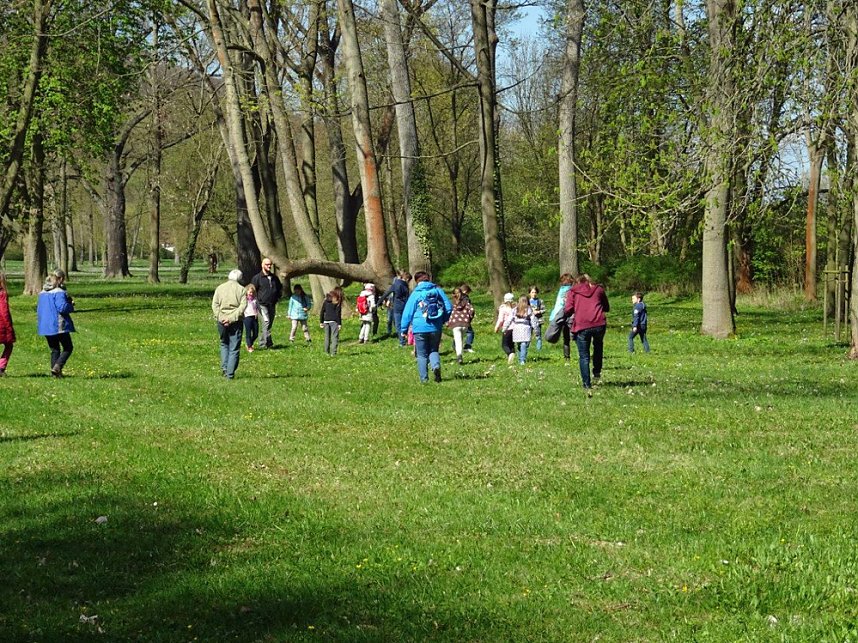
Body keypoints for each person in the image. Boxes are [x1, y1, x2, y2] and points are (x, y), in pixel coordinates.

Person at [400, 272, 452, 383]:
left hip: (419, 328)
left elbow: (407, 313)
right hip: (435, 327)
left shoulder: (416, 294)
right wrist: (443, 319)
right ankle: (435, 366)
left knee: (422, 354)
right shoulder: (438, 291)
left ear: (417, 281)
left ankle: (424, 379)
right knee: (434, 350)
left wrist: (403, 329)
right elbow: (448, 307)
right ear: (429, 279)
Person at [564, 274, 610, 396]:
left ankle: (586, 384)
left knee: (584, 356)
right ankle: (597, 372)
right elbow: (606, 306)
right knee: (598, 346)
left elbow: (568, 310)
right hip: (599, 323)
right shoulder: (598, 289)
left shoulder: (572, 292)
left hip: (582, 325)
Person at [36, 269, 76, 378]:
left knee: (55, 349)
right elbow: (62, 307)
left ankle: (55, 374)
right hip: (57, 324)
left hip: (45, 325)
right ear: (61, 279)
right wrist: (71, 305)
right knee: (68, 347)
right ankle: (57, 367)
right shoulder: (59, 292)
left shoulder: (42, 292)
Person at [212, 269, 247, 379]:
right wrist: (231, 319)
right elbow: (242, 307)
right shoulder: (242, 290)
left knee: (224, 343)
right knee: (234, 347)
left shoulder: (220, 288)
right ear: (240, 278)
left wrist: (222, 318)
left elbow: (215, 305)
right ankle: (230, 374)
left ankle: (225, 368)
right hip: (235, 321)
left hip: (221, 321)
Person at [251, 258, 282, 349]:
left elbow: (279, 288)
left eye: (270, 265)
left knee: (269, 324)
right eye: (267, 264)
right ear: (262, 265)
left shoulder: (274, 278)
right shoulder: (257, 278)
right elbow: (252, 290)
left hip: (272, 304)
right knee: (266, 322)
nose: (269, 266)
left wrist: (278, 297)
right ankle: (262, 344)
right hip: (262, 304)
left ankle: (269, 342)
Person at [548, 274, 575, 364]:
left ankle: (567, 357)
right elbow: (566, 303)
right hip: (566, 315)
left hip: (560, 315)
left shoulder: (561, 290)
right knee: (573, 336)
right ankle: (579, 355)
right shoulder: (569, 290)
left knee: (566, 337)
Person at [504, 295, 537, 365]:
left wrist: (505, 328)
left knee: (519, 344)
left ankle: (521, 359)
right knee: (524, 344)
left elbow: (508, 320)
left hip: (516, 329)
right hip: (526, 328)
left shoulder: (514, 310)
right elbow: (533, 320)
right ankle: (522, 360)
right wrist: (536, 329)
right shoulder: (529, 309)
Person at [382, 271, 411, 346]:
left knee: (398, 325)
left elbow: (386, 294)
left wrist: (378, 303)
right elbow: (407, 297)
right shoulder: (405, 286)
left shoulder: (396, 284)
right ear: (407, 279)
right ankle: (407, 339)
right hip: (405, 307)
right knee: (405, 323)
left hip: (397, 307)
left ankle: (402, 341)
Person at [447, 286, 475, 364]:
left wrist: (447, 320)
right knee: (461, 339)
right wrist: (469, 318)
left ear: (453, 294)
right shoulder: (466, 301)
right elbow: (472, 310)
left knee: (458, 340)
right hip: (465, 323)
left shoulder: (451, 302)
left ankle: (459, 356)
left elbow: (448, 310)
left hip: (455, 323)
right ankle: (460, 353)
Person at [0, 272, 16, 376]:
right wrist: (8, 326)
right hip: (2, 324)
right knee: (9, 345)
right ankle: (1, 366)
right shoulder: (2, 294)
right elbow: (3, 310)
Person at [494, 292, 516, 365]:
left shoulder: (503, 309)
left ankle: (510, 353)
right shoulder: (515, 308)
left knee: (504, 345)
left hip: (507, 328)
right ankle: (512, 353)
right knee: (511, 344)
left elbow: (501, 320)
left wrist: (497, 327)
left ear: (505, 300)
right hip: (515, 328)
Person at [320, 289, 342, 356]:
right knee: (334, 337)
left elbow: (322, 312)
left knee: (327, 337)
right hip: (334, 321)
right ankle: (333, 353)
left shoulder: (325, 302)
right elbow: (338, 314)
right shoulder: (337, 302)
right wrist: (339, 323)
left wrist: (321, 321)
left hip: (326, 321)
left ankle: (326, 352)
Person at [244, 283, 259, 352]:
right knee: (248, 333)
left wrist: (257, 313)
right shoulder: (245, 300)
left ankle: (249, 343)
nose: (251, 294)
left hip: (254, 317)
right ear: (246, 292)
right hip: (247, 317)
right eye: (250, 292)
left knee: (256, 333)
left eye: (252, 292)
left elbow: (257, 307)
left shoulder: (255, 300)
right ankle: (249, 346)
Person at [529, 286, 545, 350]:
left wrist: (539, 311)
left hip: (538, 320)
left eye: (535, 292)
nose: (534, 294)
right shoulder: (527, 301)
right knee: (528, 335)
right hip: (529, 320)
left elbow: (544, 310)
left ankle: (539, 350)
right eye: (532, 292)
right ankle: (527, 349)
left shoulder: (540, 301)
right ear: (529, 293)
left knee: (538, 335)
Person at [460, 283, 475, 352]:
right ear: (465, 291)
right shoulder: (466, 298)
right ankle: (467, 346)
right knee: (470, 332)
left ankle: (455, 346)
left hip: (456, 318)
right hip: (465, 317)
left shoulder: (455, 297)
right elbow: (469, 308)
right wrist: (471, 316)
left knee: (458, 332)